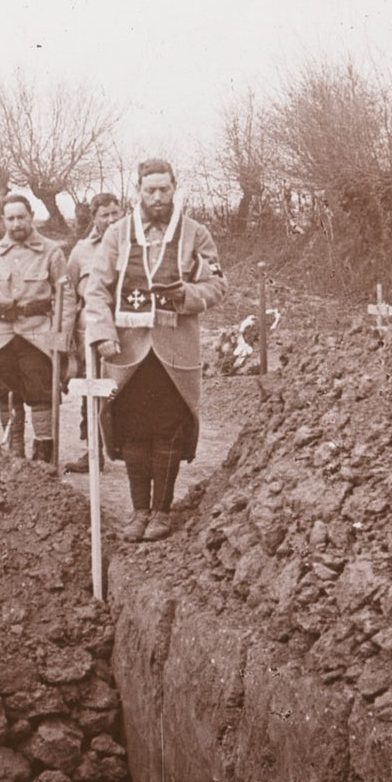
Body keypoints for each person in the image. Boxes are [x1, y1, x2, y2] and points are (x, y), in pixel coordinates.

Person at [84, 158, 227, 543]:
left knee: (167, 430)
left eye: (165, 189)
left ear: (175, 187)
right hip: (127, 350)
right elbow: (95, 289)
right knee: (132, 430)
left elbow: (217, 286)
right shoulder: (116, 234)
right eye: (151, 190)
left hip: (173, 350)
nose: (158, 197)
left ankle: (162, 512)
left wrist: (187, 295)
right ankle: (138, 512)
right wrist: (101, 333)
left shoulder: (195, 234)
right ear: (139, 191)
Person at [0, 194, 72, 463]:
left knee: (40, 393)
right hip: (0, 336)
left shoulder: (51, 252)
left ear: (31, 216)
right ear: (3, 221)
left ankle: (43, 454)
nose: (16, 224)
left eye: (21, 217)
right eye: (10, 218)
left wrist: (61, 340)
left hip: (37, 334)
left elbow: (66, 299)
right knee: (4, 394)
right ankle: (14, 454)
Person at [62, 191, 123, 474]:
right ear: (94, 218)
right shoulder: (81, 251)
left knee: (126, 388)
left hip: (127, 329)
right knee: (92, 390)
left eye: (115, 213)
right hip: (92, 332)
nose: (111, 220)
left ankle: (127, 449)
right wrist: (70, 335)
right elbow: (69, 293)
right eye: (104, 215)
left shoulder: (134, 245)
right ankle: (92, 450)